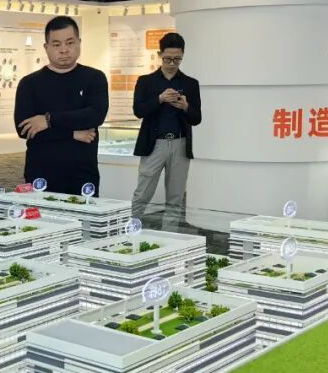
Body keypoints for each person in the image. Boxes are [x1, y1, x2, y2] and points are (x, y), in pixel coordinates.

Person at [14, 16, 108, 194]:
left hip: (82, 175)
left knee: (83, 213)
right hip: (41, 174)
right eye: (56, 44)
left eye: (70, 43)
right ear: (46, 47)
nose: (64, 50)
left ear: (79, 42)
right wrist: (72, 134)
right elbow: (24, 130)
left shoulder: (94, 78)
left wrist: (48, 120)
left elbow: (95, 116)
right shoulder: (29, 83)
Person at [131, 31, 202, 231]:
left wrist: (186, 107)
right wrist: (159, 99)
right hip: (154, 143)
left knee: (175, 198)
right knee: (142, 193)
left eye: (177, 59)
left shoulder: (190, 83)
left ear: (182, 56)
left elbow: (197, 118)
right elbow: (138, 111)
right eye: (168, 58)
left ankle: (170, 238)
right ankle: (131, 230)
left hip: (180, 144)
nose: (172, 63)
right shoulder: (146, 81)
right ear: (159, 54)